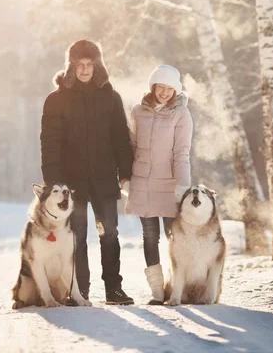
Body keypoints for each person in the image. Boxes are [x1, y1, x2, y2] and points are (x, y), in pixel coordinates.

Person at [40, 40, 134, 305]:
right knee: (77, 235)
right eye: (79, 65)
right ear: (71, 67)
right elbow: (50, 142)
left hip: (104, 179)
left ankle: (113, 289)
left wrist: (124, 172)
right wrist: (53, 183)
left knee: (110, 233)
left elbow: (121, 138)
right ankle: (80, 290)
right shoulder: (56, 100)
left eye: (89, 65)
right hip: (72, 184)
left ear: (97, 65)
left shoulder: (110, 97)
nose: (84, 70)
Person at [125, 64, 193, 305]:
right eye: (160, 87)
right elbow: (130, 147)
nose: (164, 92)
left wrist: (183, 188)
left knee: (174, 237)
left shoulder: (181, 114)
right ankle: (156, 290)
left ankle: (178, 286)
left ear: (175, 90)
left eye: (169, 88)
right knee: (149, 236)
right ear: (153, 86)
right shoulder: (137, 112)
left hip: (169, 184)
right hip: (142, 182)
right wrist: (124, 177)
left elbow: (181, 153)